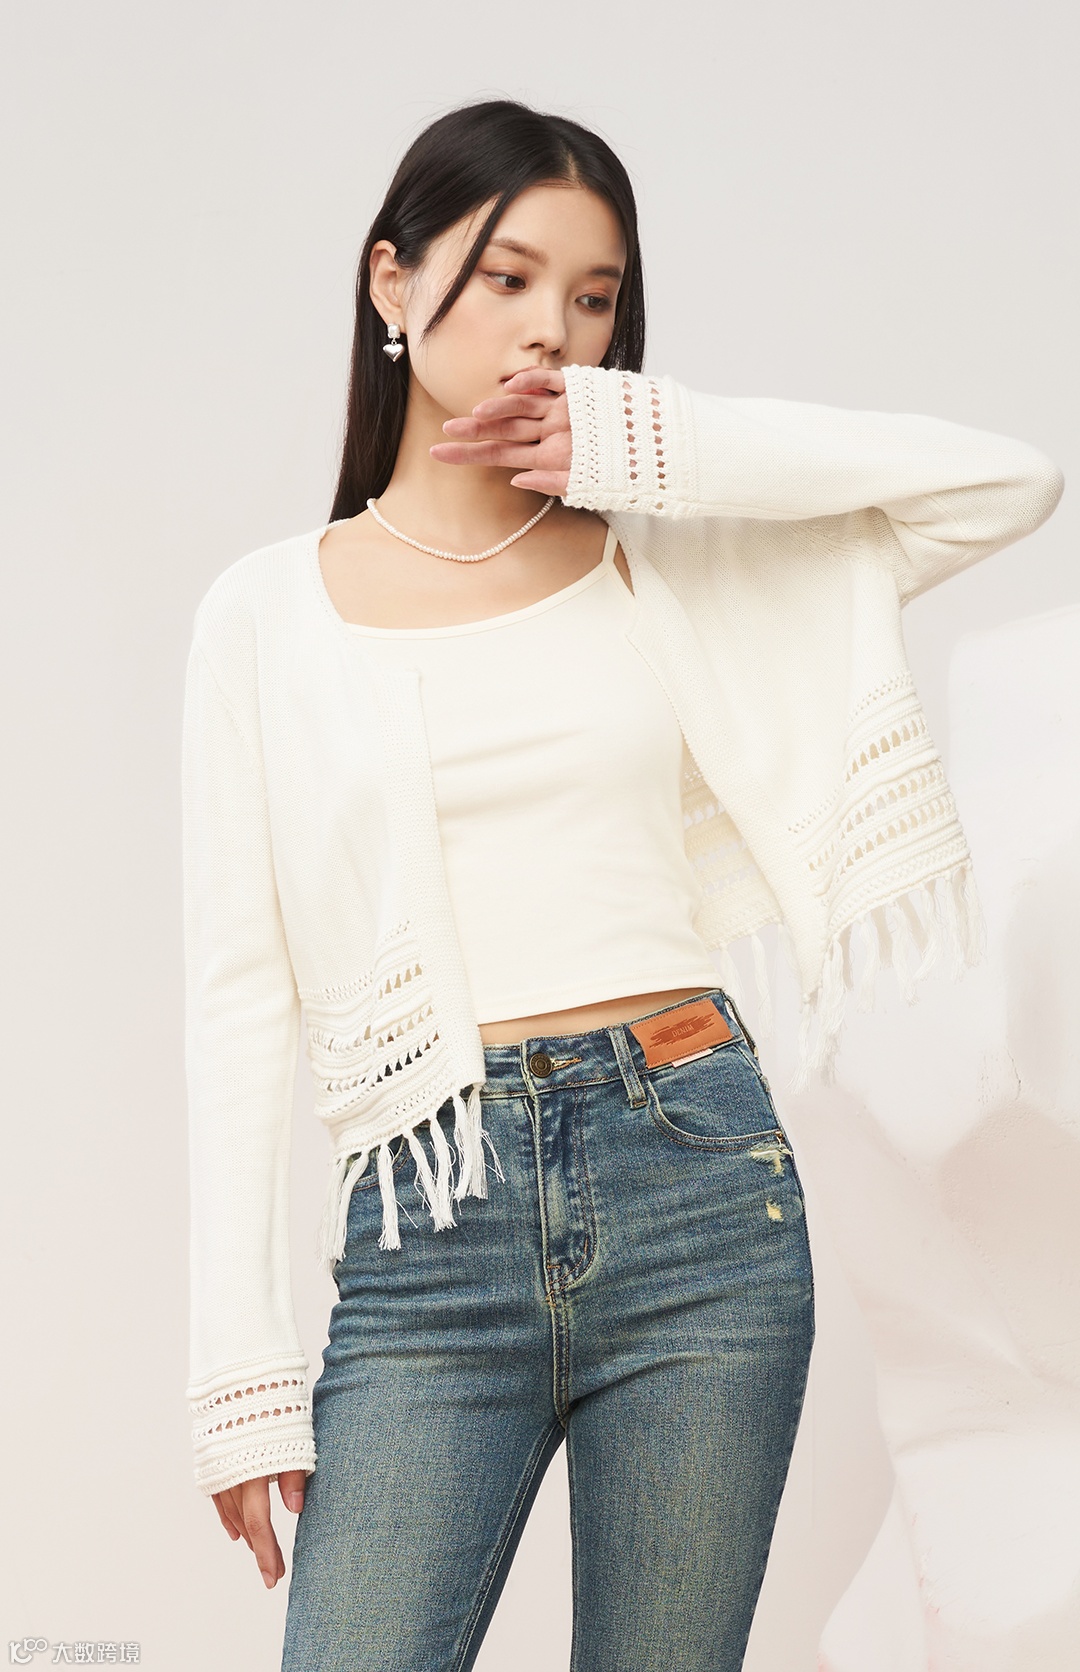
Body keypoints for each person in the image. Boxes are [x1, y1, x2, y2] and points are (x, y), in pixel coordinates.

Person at [180, 99, 1063, 1671]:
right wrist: (239, 1373)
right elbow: (240, 998)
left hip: (696, 1179)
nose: (553, 330)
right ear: (392, 282)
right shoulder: (266, 618)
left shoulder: (670, 561)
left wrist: (659, 443)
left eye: (594, 298)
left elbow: (1006, 482)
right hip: (433, 1225)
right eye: (510, 277)